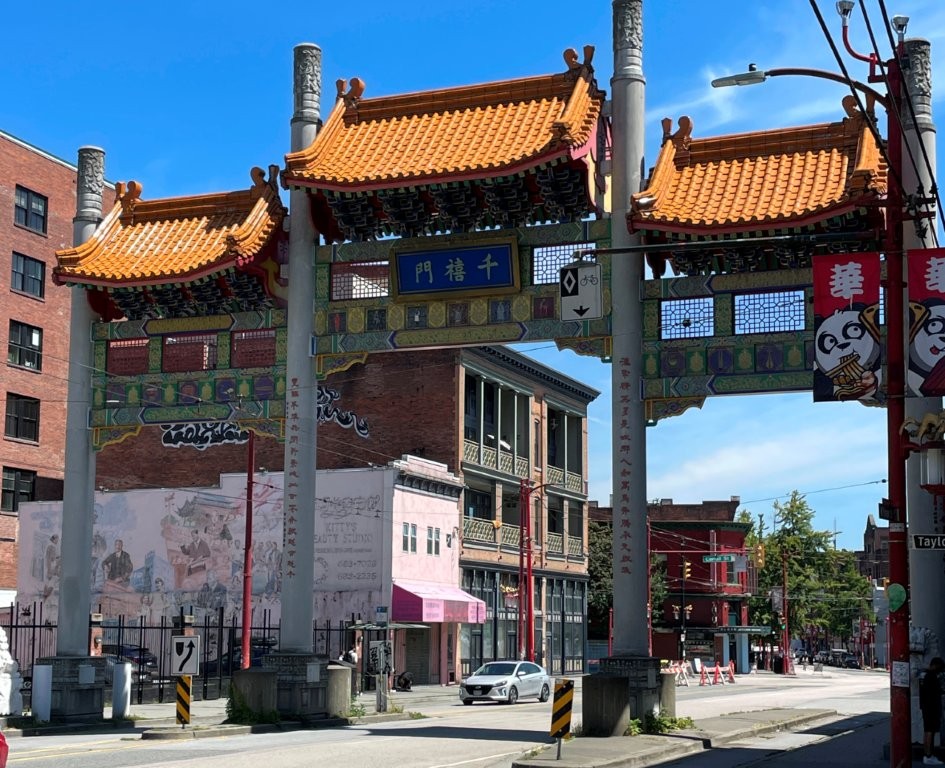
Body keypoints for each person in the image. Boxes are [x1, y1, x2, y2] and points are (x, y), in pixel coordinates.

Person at [920, 656, 945, 765]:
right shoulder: (932, 677)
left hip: (926, 708)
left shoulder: (925, 676)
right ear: (935, 665)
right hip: (931, 709)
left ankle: (927, 754)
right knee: (930, 732)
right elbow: (934, 694)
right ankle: (929, 755)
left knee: (927, 731)